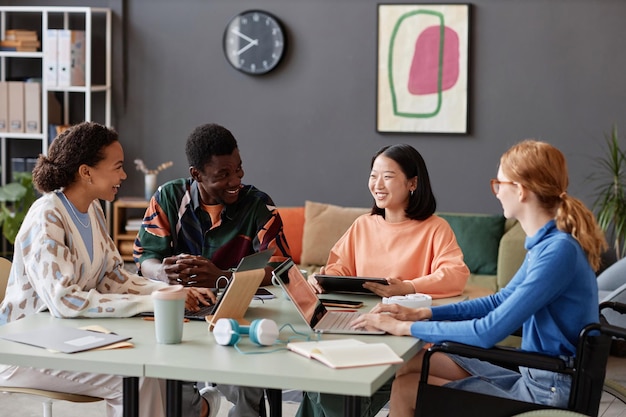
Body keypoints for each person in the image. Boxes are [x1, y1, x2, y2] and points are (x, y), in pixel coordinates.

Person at [351, 139, 608, 417]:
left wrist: (403, 328)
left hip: (548, 388)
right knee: (412, 363)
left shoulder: (557, 252)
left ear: (520, 191)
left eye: (499, 185)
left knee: (407, 388)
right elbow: (498, 301)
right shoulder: (547, 245)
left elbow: (487, 331)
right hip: (538, 375)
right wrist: (422, 315)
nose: (496, 193)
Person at [0, 121, 216, 417]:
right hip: (23, 352)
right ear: (86, 171)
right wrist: (152, 300)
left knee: (151, 362)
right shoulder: (47, 217)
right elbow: (65, 301)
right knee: (134, 376)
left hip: (67, 336)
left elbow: (114, 278)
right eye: (117, 167)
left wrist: (173, 291)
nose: (124, 175)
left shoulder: (93, 209)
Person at [298, 143, 470, 417]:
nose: (377, 184)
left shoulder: (435, 228)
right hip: (360, 326)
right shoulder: (364, 225)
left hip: (404, 338)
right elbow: (339, 267)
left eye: (387, 176)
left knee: (329, 388)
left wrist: (408, 287)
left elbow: (455, 275)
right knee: (321, 380)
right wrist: (323, 279)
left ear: (413, 183)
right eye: (373, 175)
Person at [133, 122, 291, 417]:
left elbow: (280, 266)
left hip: (235, 314)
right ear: (197, 174)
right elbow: (144, 258)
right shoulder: (168, 198)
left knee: (249, 385)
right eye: (223, 174)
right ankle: (204, 407)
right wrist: (161, 273)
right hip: (180, 313)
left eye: (239, 169)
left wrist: (222, 276)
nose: (236, 180)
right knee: (163, 383)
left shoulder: (257, 205)